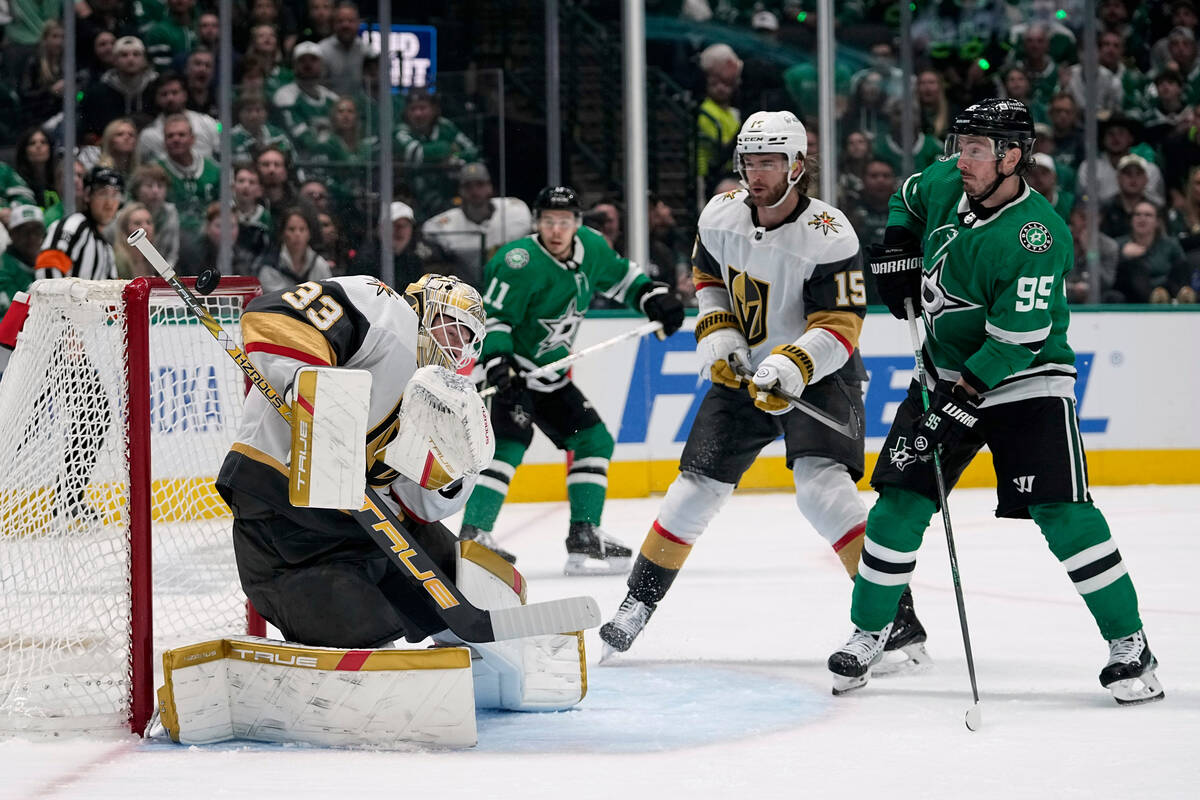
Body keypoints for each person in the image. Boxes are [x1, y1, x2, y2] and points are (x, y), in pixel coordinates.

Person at [826, 99, 1164, 707]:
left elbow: (1017, 341)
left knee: (1063, 512)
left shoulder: (1037, 237)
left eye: (978, 149)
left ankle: (1130, 642)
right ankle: (872, 629)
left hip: (1026, 383)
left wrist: (957, 405)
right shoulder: (947, 180)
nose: (962, 159)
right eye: (961, 145)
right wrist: (900, 245)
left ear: (1013, 156)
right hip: (943, 374)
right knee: (900, 500)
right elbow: (907, 192)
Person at [599, 111, 927, 664]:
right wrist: (719, 335)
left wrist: (792, 364)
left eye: (769, 161)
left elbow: (843, 323)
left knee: (822, 494)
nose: (756, 172)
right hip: (744, 369)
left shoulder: (830, 232)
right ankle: (637, 602)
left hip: (820, 373)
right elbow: (708, 282)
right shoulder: (720, 215)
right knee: (693, 488)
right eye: (750, 159)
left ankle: (896, 619)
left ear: (797, 165)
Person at [215, 273, 489, 648]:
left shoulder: (441, 399)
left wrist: (452, 475)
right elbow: (273, 317)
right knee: (350, 624)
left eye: (466, 340)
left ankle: (475, 653)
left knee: (459, 570)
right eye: (452, 328)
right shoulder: (385, 310)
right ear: (423, 308)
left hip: (358, 523)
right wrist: (316, 396)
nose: (456, 346)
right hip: (280, 506)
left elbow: (418, 506)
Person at [459, 185, 685, 573]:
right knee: (510, 444)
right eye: (548, 221)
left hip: (552, 376)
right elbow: (492, 317)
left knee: (594, 440)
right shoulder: (517, 261)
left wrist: (653, 298)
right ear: (537, 222)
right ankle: (473, 534)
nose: (556, 230)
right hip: (514, 371)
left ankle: (584, 533)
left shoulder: (592, 247)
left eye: (564, 222)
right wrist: (497, 361)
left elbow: (623, 278)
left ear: (577, 224)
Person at [420, 162, 532, 287]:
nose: (474, 191)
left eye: (480, 184)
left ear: (490, 187)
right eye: (468, 186)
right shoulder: (441, 226)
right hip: (466, 292)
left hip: (512, 286)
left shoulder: (515, 212)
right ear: (460, 190)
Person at [36, 165, 123, 280]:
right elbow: (47, 272)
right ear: (87, 195)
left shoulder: (106, 249)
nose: (109, 203)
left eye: (115, 195)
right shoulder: (73, 226)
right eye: (102, 193)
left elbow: (112, 290)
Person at [257, 206, 332, 291]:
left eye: (302, 229)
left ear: (309, 234)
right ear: (282, 234)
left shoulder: (320, 265)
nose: (297, 234)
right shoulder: (270, 267)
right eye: (291, 229)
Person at [0, 206, 44, 313]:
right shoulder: (3, 269)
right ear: (12, 234)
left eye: (37, 231)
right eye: (25, 232)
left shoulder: (46, 263)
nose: (32, 237)